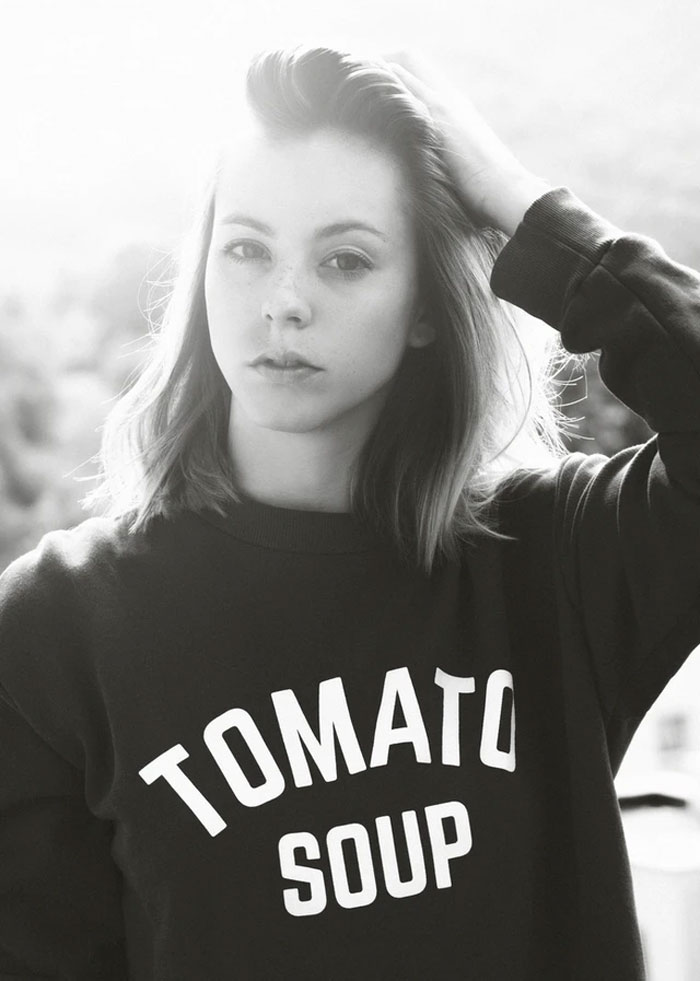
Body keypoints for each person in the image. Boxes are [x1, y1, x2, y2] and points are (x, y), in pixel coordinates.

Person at [1, 43, 699, 981]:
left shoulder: (552, 559)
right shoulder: (55, 630)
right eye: (245, 248)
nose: (283, 302)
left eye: (345, 259)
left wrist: (519, 206)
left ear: (423, 304)